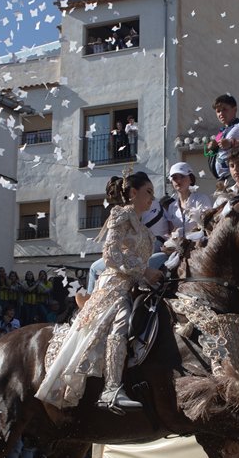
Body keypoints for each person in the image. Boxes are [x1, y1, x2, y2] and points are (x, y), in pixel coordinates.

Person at [38, 173, 161, 413]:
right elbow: (110, 255)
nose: (152, 198)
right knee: (121, 320)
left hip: (136, 285)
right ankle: (112, 389)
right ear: (133, 193)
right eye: (148, 191)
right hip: (115, 285)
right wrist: (144, 270)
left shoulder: (146, 230)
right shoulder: (121, 215)